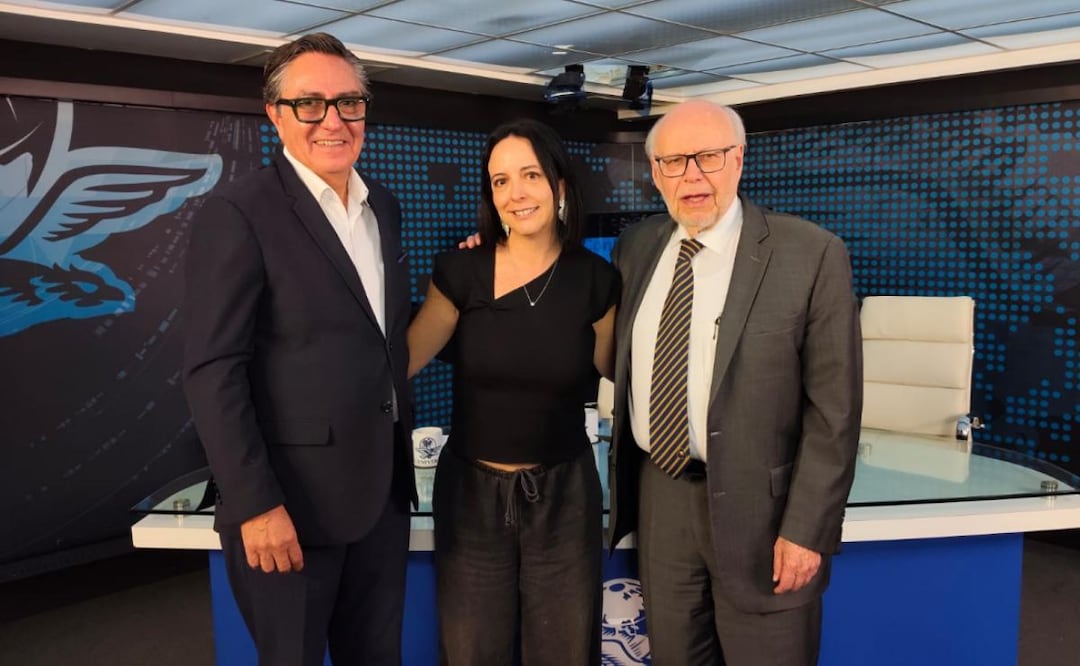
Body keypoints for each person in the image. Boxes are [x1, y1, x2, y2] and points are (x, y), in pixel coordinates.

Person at [182, 33, 415, 666]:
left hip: (381, 500)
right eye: (310, 103)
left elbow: (380, 335)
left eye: (349, 102)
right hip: (286, 510)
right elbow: (212, 370)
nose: (334, 120)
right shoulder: (237, 212)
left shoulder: (383, 209)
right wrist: (254, 503)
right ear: (275, 113)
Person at [607, 100, 862, 666]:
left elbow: (835, 412)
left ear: (739, 160)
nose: (692, 175)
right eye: (674, 161)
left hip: (765, 517)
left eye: (710, 157)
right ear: (654, 173)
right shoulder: (637, 248)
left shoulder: (811, 253)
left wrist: (807, 530)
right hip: (662, 497)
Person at [407, 118, 618, 665]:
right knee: (472, 651)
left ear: (560, 186)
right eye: (500, 181)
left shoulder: (597, 280)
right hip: (471, 499)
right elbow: (400, 363)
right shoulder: (460, 270)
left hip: (565, 497)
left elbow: (624, 373)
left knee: (566, 652)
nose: (516, 192)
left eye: (529, 174)